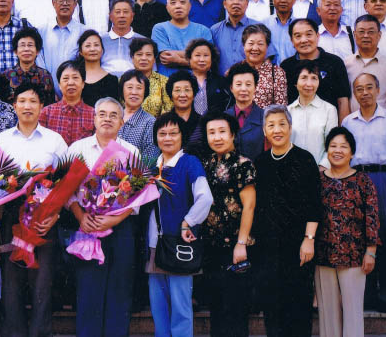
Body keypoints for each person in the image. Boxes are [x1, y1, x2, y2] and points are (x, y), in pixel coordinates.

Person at [0, 84, 67, 337]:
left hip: (45, 217)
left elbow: (66, 182)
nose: (27, 106)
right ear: (14, 106)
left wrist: (55, 214)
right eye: (22, 101)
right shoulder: (2, 139)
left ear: (41, 107)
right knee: (12, 280)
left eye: (33, 101)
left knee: (42, 281)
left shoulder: (54, 140)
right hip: (12, 215)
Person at [68, 97, 142, 337]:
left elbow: (138, 195)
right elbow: (66, 192)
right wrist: (80, 216)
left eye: (113, 115)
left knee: (120, 288)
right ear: (94, 119)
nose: (107, 119)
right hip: (87, 226)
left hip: (121, 227)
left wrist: (116, 219)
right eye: (102, 114)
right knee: (88, 288)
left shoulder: (131, 151)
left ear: (121, 122)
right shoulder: (77, 149)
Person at [251, 105, 321, 337]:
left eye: (282, 124)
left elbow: (314, 203)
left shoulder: (305, 159)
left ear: (290, 127)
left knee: (298, 307)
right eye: (271, 125)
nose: (277, 130)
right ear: (264, 131)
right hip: (268, 248)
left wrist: (309, 239)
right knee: (273, 309)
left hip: (298, 246)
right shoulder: (260, 162)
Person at [342, 72, 386, 312]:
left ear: (378, 90)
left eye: (369, 87)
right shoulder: (348, 122)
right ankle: (366, 293)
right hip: (356, 179)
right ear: (354, 93)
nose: (365, 93)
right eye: (359, 89)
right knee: (359, 237)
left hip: (382, 179)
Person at [145, 111, 213, 337]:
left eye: (173, 133)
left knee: (180, 306)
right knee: (158, 306)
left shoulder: (189, 163)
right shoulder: (152, 167)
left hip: (179, 243)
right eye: (162, 133)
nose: (167, 138)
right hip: (154, 245)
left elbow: (205, 198)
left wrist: (188, 222)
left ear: (182, 136)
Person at [315, 126, 380, 337]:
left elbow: (372, 217)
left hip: (354, 256)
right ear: (327, 150)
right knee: (328, 314)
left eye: (343, 146)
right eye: (333, 146)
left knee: (352, 312)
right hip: (323, 255)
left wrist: (371, 251)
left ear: (352, 152)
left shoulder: (363, 181)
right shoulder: (318, 180)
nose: (338, 150)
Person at [199, 112, 256, 337]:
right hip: (211, 245)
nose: (217, 137)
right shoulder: (205, 164)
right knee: (217, 307)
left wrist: (241, 243)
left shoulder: (244, 165)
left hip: (236, 246)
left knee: (236, 308)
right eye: (211, 132)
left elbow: (249, 206)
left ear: (233, 134)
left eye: (222, 131)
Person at [281, 18, 352, 121]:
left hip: (329, 124)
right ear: (292, 40)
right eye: (298, 36)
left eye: (309, 34)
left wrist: (341, 129)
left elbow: (343, 100)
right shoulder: (286, 66)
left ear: (318, 36)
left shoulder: (335, 62)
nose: (304, 40)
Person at [345, 14, 386, 113]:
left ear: (379, 35)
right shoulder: (345, 65)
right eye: (361, 32)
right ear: (354, 35)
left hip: (383, 122)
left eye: (371, 32)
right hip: (352, 122)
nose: (366, 36)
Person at [151, 0, 214, 77]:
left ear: (190, 6)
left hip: (197, 82)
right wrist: (197, 57)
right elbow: (166, 56)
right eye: (173, 2)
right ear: (167, 7)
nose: (178, 6)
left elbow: (208, 61)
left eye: (182, 2)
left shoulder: (203, 30)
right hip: (167, 82)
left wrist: (179, 60)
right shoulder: (160, 28)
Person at [288, 60, 338, 165]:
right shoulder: (288, 111)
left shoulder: (329, 110)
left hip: (319, 170)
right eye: (304, 78)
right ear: (296, 82)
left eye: (314, 78)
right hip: (291, 169)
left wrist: (322, 167)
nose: (309, 84)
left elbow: (332, 144)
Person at [38, 0, 85, 91]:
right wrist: (48, 88)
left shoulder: (83, 32)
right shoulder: (41, 31)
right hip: (47, 91)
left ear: (75, 4)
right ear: (53, 3)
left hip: (74, 91)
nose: (65, 3)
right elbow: (39, 63)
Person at [38, 60, 95, 146]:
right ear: (59, 85)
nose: (70, 83)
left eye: (75, 78)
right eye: (65, 78)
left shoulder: (94, 114)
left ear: (83, 83)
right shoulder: (46, 112)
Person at [211, 0, 259, 75]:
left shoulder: (258, 28)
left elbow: (266, 57)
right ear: (224, 4)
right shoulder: (215, 30)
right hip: (222, 82)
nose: (236, 2)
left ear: (247, 3)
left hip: (250, 81)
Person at [3, 27, 56, 103]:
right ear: (15, 51)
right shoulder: (7, 75)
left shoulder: (45, 75)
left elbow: (50, 104)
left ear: (37, 51)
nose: (26, 49)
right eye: (22, 45)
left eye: (30, 45)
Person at [226, 62, 266, 161]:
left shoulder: (265, 117)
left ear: (255, 87)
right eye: (238, 84)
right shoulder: (224, 118)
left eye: (248, 84)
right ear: (231, 88)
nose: (243, 89)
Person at [241, 23, 287, 109]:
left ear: (267, 46)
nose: (255, 48)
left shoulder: (277, 73)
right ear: (244, 45)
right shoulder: (236, 70)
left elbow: (280, 108)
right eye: (251, 43)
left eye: (260, 44)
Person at [166, 70, 206, 160]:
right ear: (171, 95)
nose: (182, 95)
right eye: (177, 90)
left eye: (187, 90)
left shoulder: (203, 122)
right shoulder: (163, 123)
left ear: (194, 94)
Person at [118, 69, 157, 160]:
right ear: (122, 90)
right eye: (130, 87)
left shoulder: (150, 122)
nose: (134, 92)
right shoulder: (113, 117)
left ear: (145, 92)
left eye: (139, 88)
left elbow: (149, 160)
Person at [130, 37, 173, 117]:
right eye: (139, 54)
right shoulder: (123, 81)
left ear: (154, 59)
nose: (144, 58)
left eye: (148, 55)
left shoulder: (164, 82)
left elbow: (168, 111)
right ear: (132, 58)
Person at [186, 38, 229, 115]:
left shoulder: (221, 82)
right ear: (189, 58)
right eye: (197, 55)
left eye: (206, 55)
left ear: (212, 59)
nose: (202, 59)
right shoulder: (183, 80)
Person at [101, 0, 140, 77]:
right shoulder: (100, 41)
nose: (122, 15)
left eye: (126, 12)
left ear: (132, 16)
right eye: (117, 12)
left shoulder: (142, 41)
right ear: (110, 16)